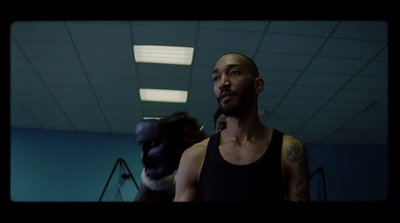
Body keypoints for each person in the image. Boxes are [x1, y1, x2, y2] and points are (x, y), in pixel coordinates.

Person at [174, 53, 310, 202]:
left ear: (258, 85)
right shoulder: (194, 156)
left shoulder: (289, 150)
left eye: (234, 73)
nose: (223, 83)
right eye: (216, 78)